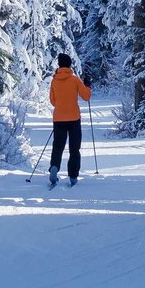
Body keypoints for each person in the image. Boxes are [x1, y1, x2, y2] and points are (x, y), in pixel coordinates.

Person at [48, 53, 91, 187]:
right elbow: (86, 97)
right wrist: (88, 85)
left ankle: (54, 167)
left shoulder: (54, 80)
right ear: (70, 64)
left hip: (59, 118)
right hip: (74, 118)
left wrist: (61, 104)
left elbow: (53, 101)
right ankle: (73, 176)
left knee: (58, 146)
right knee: (74, 148)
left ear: (59, 65)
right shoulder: (75, 79)